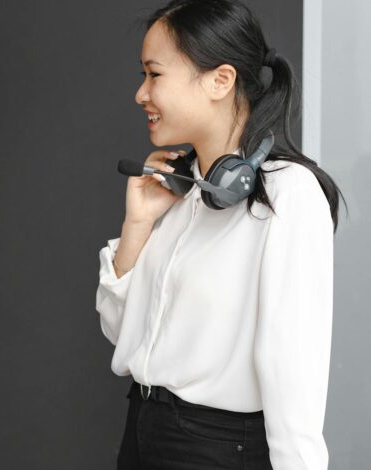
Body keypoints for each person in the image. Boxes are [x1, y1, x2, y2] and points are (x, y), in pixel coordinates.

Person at [95, 1, 342, 469]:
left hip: (215, 450)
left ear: (220, 80)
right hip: (144, 431)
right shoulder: (182, 192)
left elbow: (293, 378)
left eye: (155, 74)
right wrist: (137, 227)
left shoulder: (288, 196)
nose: (141, 94)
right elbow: (120, 334)